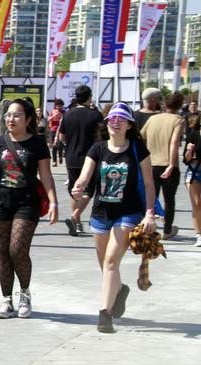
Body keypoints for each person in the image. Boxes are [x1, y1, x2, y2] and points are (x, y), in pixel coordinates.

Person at [71, 103, 156, 333]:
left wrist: (150, 213)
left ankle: (104, 314)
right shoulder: (97, 149)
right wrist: (77, 189)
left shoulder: (138, 148)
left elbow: (149, 184)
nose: (115, 122)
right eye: (112, 119)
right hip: (100, 214)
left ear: (129, 125)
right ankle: (119, 291)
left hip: (128, 213)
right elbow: (84, 177)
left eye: (121, 119)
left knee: (110, 262)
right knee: (106, 266)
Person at [0, 99, 58, 319]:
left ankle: (25, 293)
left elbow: (46, 176)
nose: (11, 119)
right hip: (1, 202)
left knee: (17, 249)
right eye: (8, 115)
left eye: (17, 115)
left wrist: (54, 201)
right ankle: (6, 300)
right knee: (3, 253)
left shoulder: (37, 144)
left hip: (27, 203)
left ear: (28, 119)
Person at [58, 85, 103, 236]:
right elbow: (101, 136)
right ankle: (75, 216)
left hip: (70, 157)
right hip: (89, 157)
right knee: (89, 190)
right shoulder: (95, 115)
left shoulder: (68, 114)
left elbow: (61, 137)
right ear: (89, 97)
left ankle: (76, 224)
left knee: (74, 191)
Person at [141, 92, 185, 241]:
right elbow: (174, 143)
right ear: (179, 106)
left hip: (151, 163)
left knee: (151, 198)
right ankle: (167, 230)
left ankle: (147, 226)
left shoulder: (152, 118)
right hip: (168, 165)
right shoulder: (178, 120)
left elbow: (141, 137)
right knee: (169, 200)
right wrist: (172, 164)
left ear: (165, 104)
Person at [184, 128, 201, 247]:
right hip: (195, 170)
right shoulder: (194, 134)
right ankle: (199, 234)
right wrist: (189, 151)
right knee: (197, 204)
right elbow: (186, 160)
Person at [48, 99, 65, 166]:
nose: (59, 107)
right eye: (57, 106)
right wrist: (54, 116)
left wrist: (61, 115)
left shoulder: (64, 112)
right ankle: (54, 161)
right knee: (54, 146)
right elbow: (48, 119)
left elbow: (65, 120)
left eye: (60, 106)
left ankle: (60, 156)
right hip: (53, 130)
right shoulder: (53, 112)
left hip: (61, 130)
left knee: (60, 145)